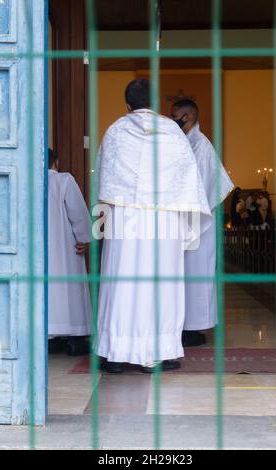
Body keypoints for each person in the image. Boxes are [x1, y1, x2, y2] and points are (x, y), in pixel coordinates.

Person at [95, 79, 211, 373]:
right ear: (157, 102)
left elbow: (104, 180)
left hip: (125, 220)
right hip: (163, 220)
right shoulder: (172, 132)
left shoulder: (115, 131)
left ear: (128, 103)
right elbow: (188, 181)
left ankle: (115, 354)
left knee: (122, 283)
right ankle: (155, 354)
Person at [171, 99, 234, 347]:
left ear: (187, 117)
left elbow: (203, 188)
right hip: (185, 221)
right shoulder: (187, 143)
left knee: (196, 274)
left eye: (174, 116)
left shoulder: (201, 146)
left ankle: (195, 328)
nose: (171, 120)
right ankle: (185, 326)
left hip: (199, 222)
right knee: (185, 275)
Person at [48, 149, 92, 356]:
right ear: (55, 162)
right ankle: (74, 338)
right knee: (70, 289)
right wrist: (84, 238)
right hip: (66, 245)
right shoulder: (63, 180)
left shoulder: (27, 181)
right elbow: (78, 213)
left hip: (39, 249)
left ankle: (49, 337)